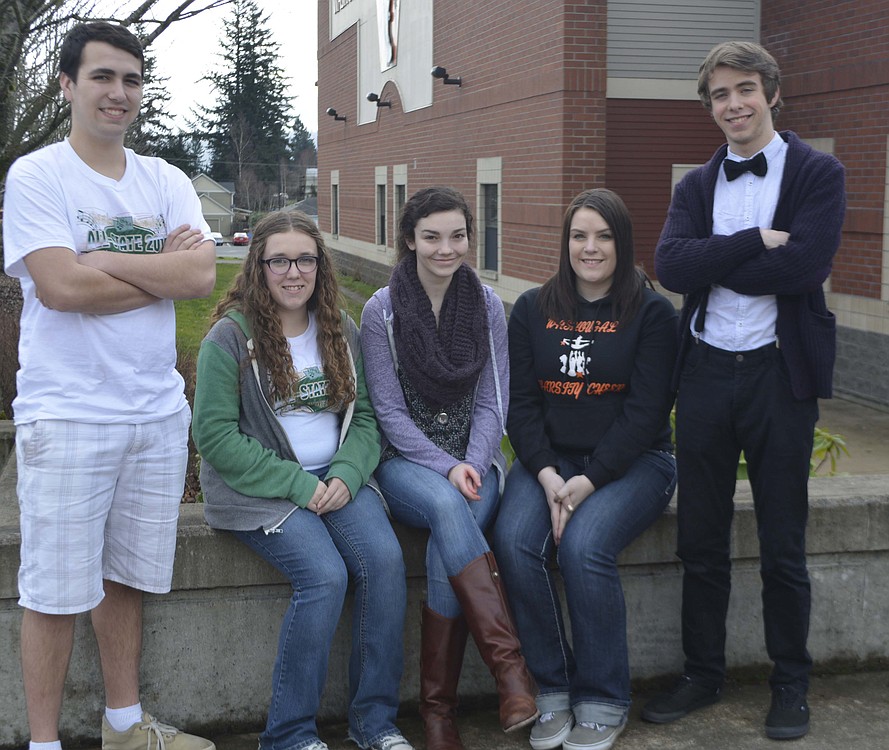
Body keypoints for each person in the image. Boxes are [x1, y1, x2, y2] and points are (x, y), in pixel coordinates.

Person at [3, 21, 217, 750]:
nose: (118, 93)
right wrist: (154, 266)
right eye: (102, 77)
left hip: (155, 415)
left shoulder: (166, 180)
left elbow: (199, 276)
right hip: (67, 416)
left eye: (131, 79)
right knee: (54, 592)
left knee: (126, 578)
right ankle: (42, 743)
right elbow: (60, 288)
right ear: (67, 85)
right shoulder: (37, 176)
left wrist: (105, 262)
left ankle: (125, 726)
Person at [639, 41, 846, 741]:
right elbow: (670, 265)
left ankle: (790, 684)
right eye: (720, 94)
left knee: (783, 543)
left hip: (776, 377)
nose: (733, 104)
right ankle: (702, 674)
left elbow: (804, 268)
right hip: (701, 374)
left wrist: (716, 260)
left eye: (744, 89)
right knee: (700, 541)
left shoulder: (817, 172)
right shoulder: (695, 187)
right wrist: (757, 239)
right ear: (709, 106)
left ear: (771, 93)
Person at [192, 211, 413, 750]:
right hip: (262, 491)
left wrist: (345, 472)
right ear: (259, 266)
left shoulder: (338, 324)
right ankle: (289, 735)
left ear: (320, 264)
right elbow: (215, 438)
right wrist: (298, 484)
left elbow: (364, 418)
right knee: (324, 576)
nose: (294, 272)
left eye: (306, 259)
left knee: (384, 563)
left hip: (334, 479)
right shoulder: (231, 337)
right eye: (280, 261)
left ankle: (374, 723)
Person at [492, 188, 679, 750]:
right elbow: (520, 408)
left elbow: (647, 414)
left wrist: (589, 480)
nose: (590, 248)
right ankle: (552, 689)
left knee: (582, 547)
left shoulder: (651, 313)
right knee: (515, 540)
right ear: (565, 242)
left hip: (635, 463)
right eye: (579, 236)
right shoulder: (532, 309)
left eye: (603, 236)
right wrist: (549, 475)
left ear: (622, 242)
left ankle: (602, 697)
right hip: (551, 463)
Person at [360, 187, 538, 750]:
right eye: (432, 237)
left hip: (478, 459)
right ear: (409, 240)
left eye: (457, 235)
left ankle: (438, 712)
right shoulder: (381, 312)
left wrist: (474, 459)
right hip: (407, 463)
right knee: (443, 502)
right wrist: (446, 467)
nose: (446, 248)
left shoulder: (485, 304)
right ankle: (510, 672)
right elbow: (388, 414)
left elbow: (493, 400)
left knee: (446, 540)